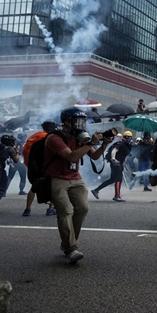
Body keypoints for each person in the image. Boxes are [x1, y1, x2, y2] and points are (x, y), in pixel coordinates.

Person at [45, 107, 112, 264]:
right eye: (77, 121)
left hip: (76, 178)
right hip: (57, 179)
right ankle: (71, 248)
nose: (81, 124)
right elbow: (71, 156)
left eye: (82, 121)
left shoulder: (80, 137)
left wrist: (104, 145)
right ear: (67, 121)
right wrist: (91, 142)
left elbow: (94, 156)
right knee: (65, 211)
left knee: (82, 208)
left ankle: (68, 243)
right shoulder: (54, 138)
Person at [23, 120, 58, 217]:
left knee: (34, 187)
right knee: (52, 187)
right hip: (47, 166)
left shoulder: (34, 136)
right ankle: (51, 208)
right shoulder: (51, 137)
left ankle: (27, 209)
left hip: (34, 166)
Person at [91, 131, 134, 202]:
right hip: (116, 163)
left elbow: (125, 155)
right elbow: (114, 150)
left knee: (112, 179)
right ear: (124, 137)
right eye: (126, 137)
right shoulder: (121, 144)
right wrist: (113, 158)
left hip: (119, 163)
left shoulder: (128, 146)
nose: (128, 138)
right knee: (118, 179)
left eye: (129, 137)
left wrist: (123, 162)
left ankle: (96, 190)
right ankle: (117, 196)